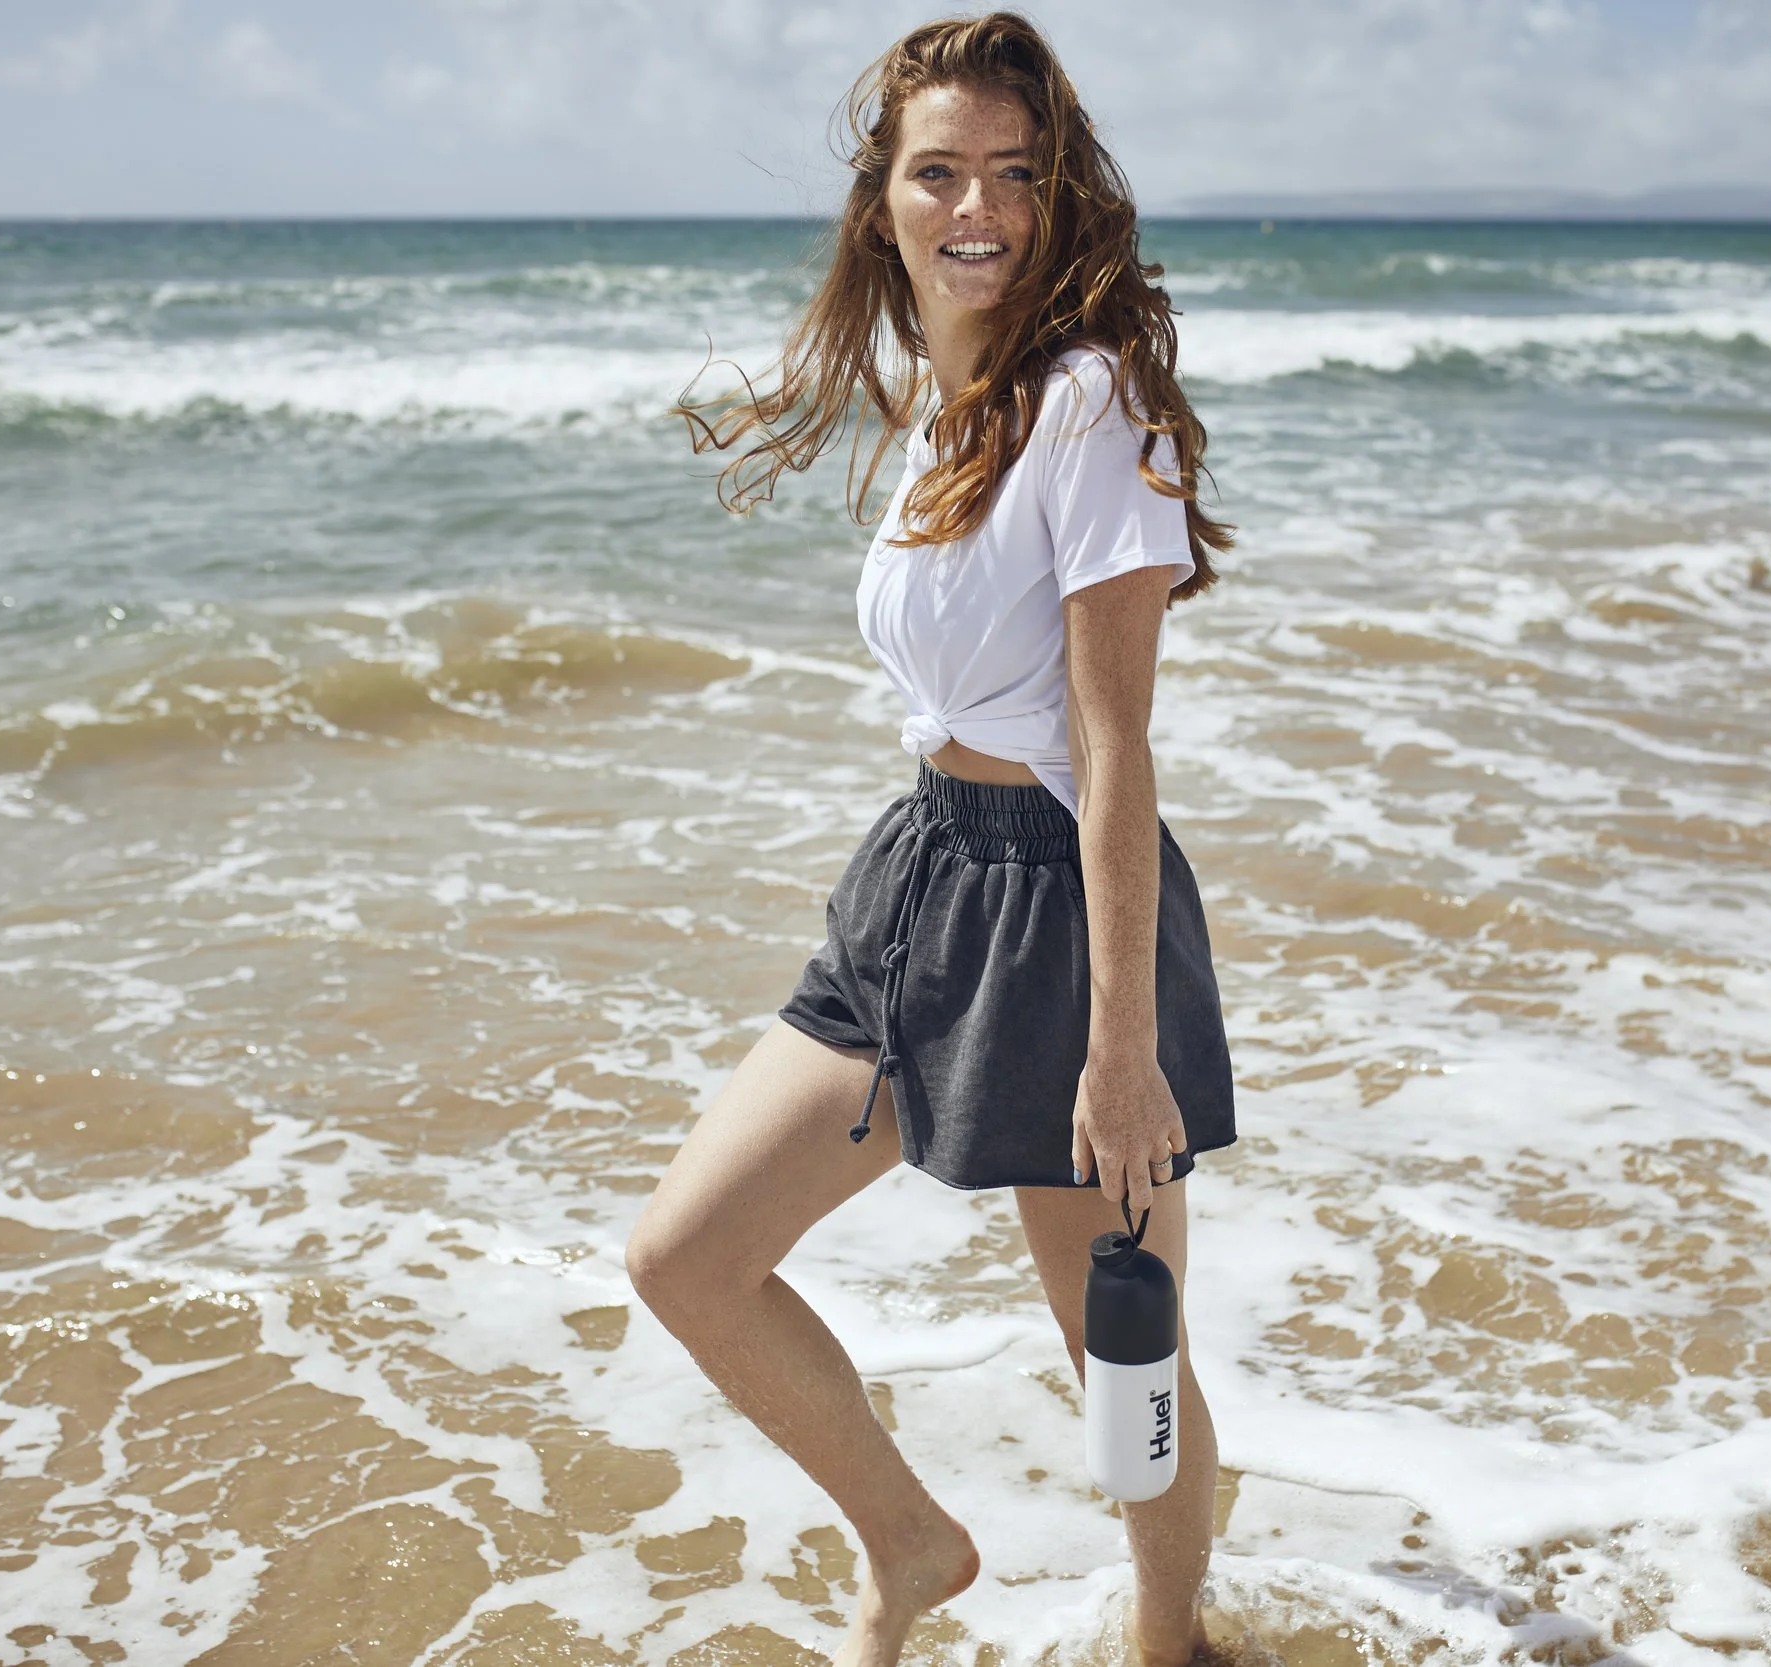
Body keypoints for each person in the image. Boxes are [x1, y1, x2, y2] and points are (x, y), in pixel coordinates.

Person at [627, 14, 1236, 1666]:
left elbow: (1115, 747)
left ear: (1060, 193)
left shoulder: (1091, 402)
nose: (979, 207)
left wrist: (1124, 1048)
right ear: (883, 200)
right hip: (922, 875)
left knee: (1120, 1347)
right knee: (688, 1254)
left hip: (1057, 904)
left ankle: (1169, 1638)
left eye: (1015, 174)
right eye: (940, 172)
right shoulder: (949, 408)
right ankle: (911, 1542)